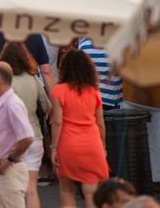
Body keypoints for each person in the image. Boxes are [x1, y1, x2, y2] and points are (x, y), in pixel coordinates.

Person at [50, 50, 109, 208]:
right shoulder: (94, 92)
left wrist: (54, 147)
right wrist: (103, 146)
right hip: (92, 143)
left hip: (68, 144)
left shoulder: (58, 91)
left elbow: (57, 122)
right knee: (91, 191)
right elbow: (101, 123)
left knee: (67, 190)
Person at [0, 42, 50, 208]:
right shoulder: (34, 78)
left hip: (11, 140)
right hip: (34, 137)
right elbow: (47, 106)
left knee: (11, 190)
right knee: (31, 190)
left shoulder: (3, 82)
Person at [0, 62, 34, 208]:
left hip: (11, 169)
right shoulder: (2, 102)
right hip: (6, 169)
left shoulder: (12, 104)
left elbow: (27, 137)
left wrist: (9, 159)